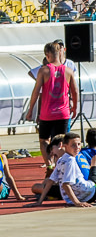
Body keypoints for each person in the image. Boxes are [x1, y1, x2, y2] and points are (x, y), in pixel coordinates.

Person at [25, 41, 80, 172]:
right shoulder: (68, 71)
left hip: (47, 113)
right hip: (63, 112)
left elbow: (36, 92)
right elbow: (75, 91)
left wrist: (31, 110)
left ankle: (50, 165)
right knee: (61, 142)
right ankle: (61, 167)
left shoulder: (43, 71)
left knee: (44, 140)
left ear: (48, 55)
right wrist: (75, 107)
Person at [34, 132, 96, 206]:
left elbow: (51, 181)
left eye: (79, 144)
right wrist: (77, 203)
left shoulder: (61, 160)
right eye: (73, 145)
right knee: (94, 162)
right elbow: (65, 184)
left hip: (81, 193)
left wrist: (39, 202)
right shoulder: (70, 160)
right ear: (64, 146)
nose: (77, 147)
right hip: (89, 193)